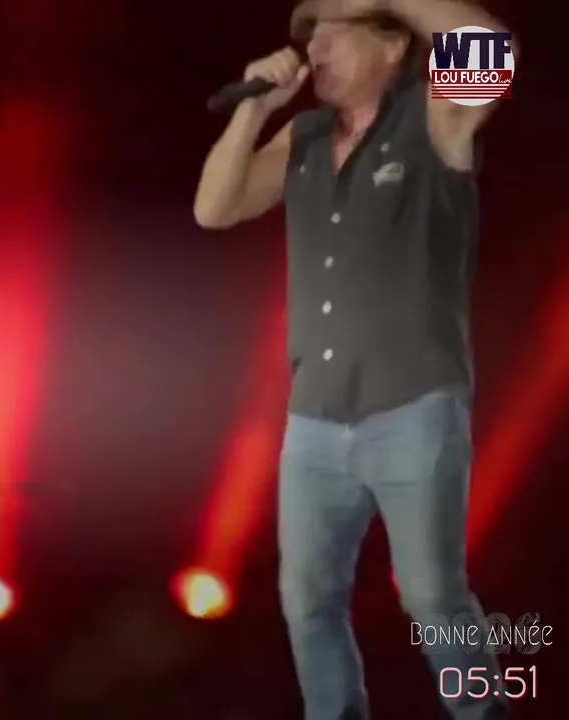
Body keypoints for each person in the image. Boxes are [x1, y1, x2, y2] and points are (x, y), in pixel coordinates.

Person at [193, 0, 514, 718]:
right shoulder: (303, 136)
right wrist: (254, 110)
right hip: (315, 416)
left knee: (431, 595)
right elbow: (214, 209)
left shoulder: (434, 118)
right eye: (312, 34)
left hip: (414, 405)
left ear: (392, 46)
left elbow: (488, 48)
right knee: (307, 598)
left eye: (337, 30)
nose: (317, 47)